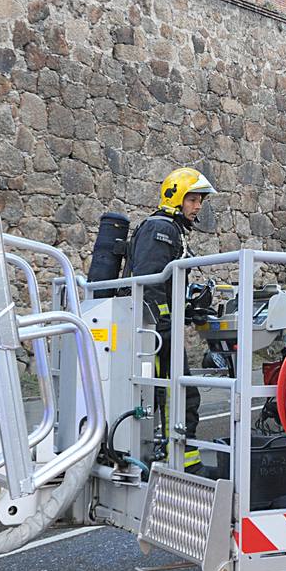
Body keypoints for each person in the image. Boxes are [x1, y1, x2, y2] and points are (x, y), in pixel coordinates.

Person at [129, 167, 216, 470]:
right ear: (175, 198)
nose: (197, 207)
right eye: (192, 200)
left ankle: (178, 461)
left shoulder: (169, 229)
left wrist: (188, 307)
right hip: (154, 331)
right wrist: (164, 327)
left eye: (200, 201)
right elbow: (149, 284)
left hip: (157, 328)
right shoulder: (162, 229)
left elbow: (165, 284)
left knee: (175, 397)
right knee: (173, 398)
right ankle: (179, 465)